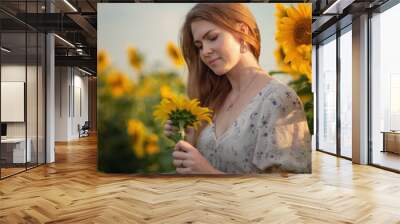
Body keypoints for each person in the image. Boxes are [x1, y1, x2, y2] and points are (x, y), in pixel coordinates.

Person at [164, 3, 311, 174]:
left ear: (243, 33)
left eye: (212, 37)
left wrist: (209, 174)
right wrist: (188, 138)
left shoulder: (278, 99)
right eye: (199, 46)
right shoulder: (215, 99)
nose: (204, 52)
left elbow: (286, 191)